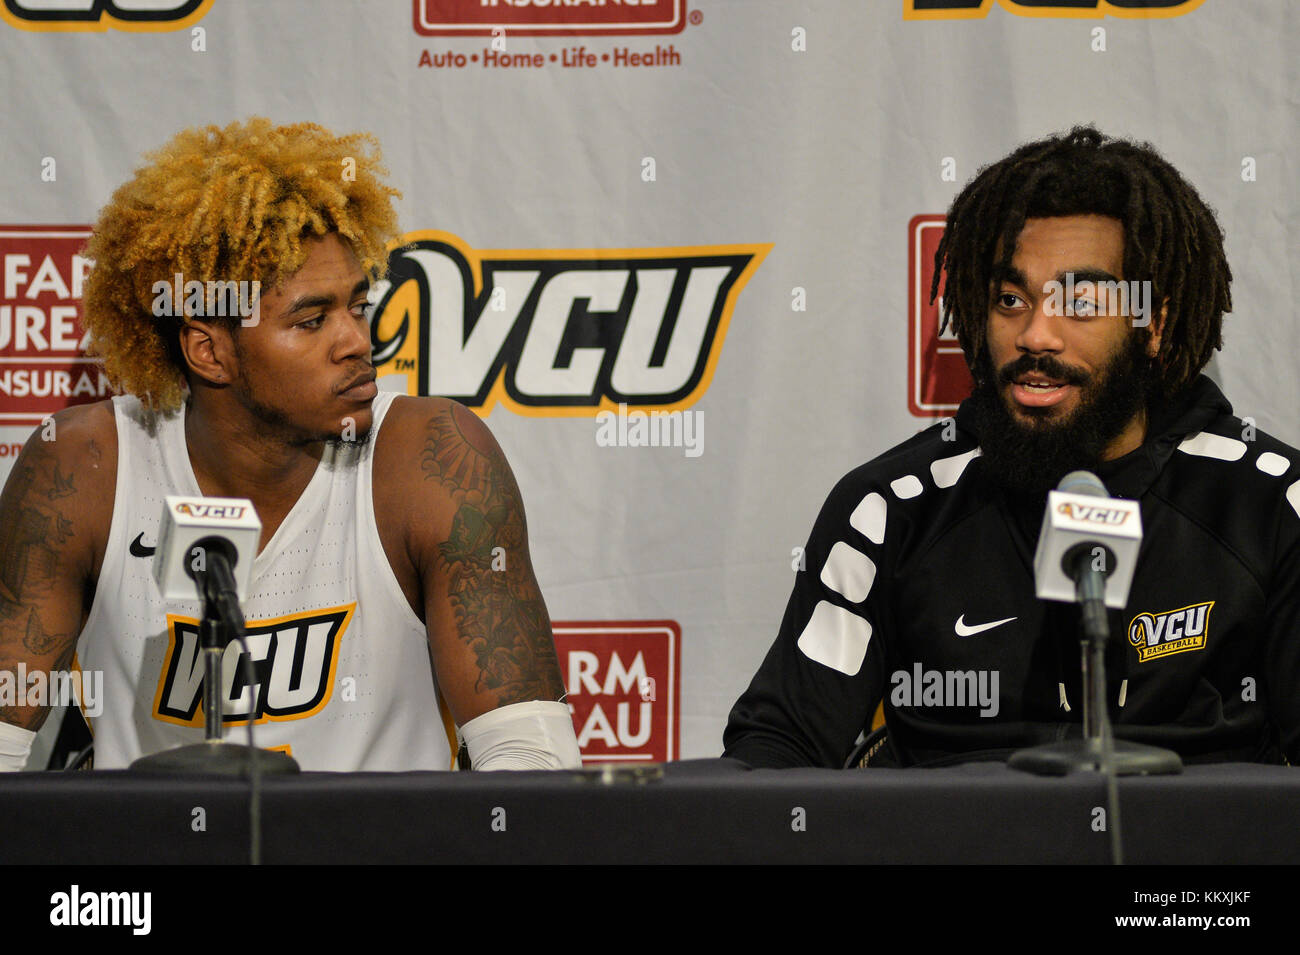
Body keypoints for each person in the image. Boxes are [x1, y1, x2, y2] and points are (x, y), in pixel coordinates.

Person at [0, 118, 580, 772]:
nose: (356, 341)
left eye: (357, 307)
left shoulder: (432, 460)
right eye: (310, 320)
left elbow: (533, 764)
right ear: (209, 350)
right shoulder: (83, 469)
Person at [724, 126, 1300, 769]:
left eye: (1080, 302)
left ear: (1153, 326)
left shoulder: (1270, 507)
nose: (1035, 335)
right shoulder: (891, 510)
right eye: (1010, 299)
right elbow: (776, 751)